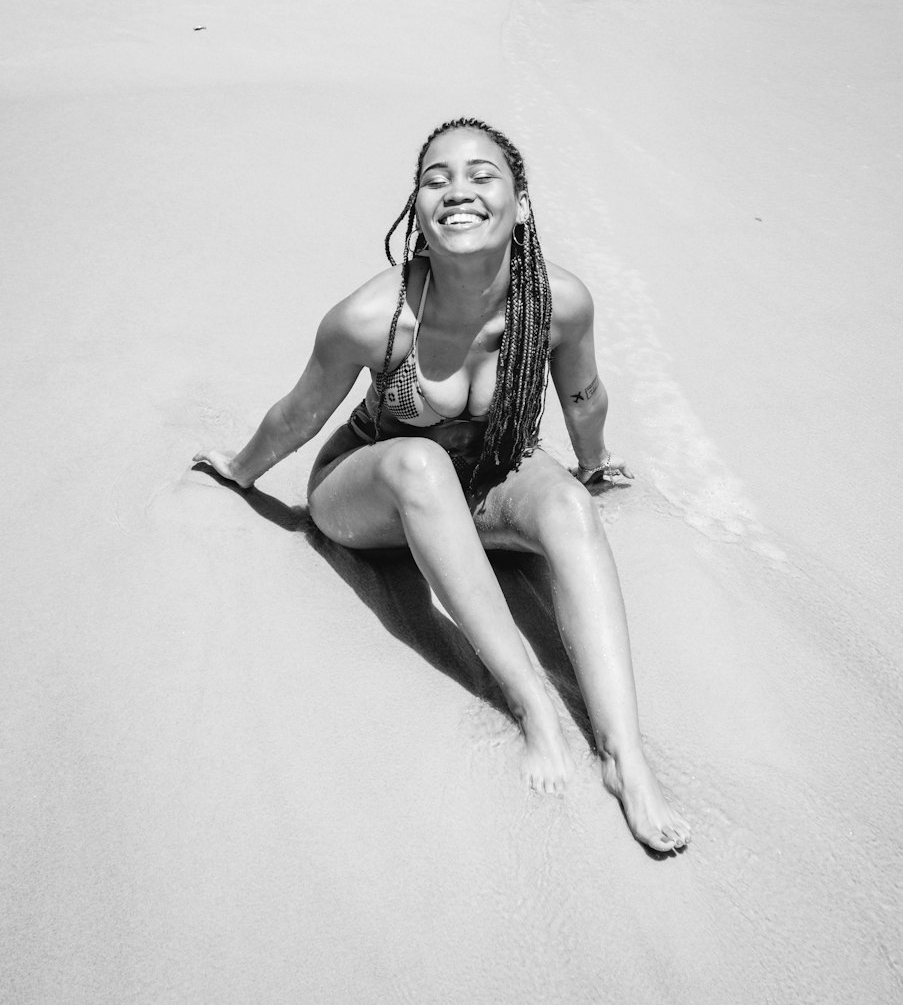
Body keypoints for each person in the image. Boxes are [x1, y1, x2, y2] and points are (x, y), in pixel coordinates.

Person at [195, 118, 691, 853]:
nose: (457, 189)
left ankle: (626, 758)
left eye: (481, 175)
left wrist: (594, 465)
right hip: (369, 490)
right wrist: (236, 474)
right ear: (417, 209)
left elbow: (584, 396)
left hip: (485, 481)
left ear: (520, 204)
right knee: (420, 464)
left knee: (565, 503)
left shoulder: (556, 305)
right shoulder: (375, 317)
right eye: (436, 178)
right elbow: (298, 413)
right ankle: (533, 707)